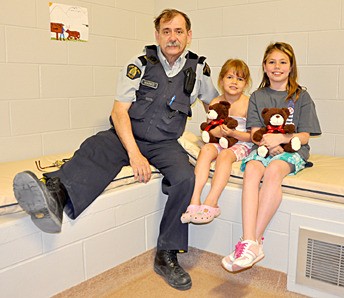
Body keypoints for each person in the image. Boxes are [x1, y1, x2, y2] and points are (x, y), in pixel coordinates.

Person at [13, 9, 218, 291]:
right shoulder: (140, 63)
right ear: (157, 35)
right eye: (167, 31)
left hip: (166, 143)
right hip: (127, 134)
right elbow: (119, 112)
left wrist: (224, 132)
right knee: (96, 146)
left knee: (186, 178)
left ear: (189, 35)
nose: (173, 37)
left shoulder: (198, 70)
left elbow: (216, 108)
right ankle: (55, 196)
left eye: (179, 31)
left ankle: (166, 254)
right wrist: (134, 154)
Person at [221, 42, 321, 272]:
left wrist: (281, 141)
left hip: (292, 150)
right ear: (264, 66)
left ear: (291, 66)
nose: (277, 66)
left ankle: (252, 242)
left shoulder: (300, 96)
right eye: (272, 62)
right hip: (263, 147)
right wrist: (269, 142)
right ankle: (249, 240)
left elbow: (305, 135)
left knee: (275, 170)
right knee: (253, 170)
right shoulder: (257, 96)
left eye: (283, 62)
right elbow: (255, 133)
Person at [180, 59, 253, 224]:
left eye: (240, 79)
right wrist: (217, 132)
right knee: (205, 151)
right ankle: (194, 200)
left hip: (241, 143)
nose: (234, 82)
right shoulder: (215, 102)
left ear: (245, 83)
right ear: (221, 80)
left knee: (225, 156)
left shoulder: (248, 103)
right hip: (220, 141)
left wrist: (234, 133)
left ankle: (211, 202)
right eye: (230, 77)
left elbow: (252, 136)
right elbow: (209, 129)